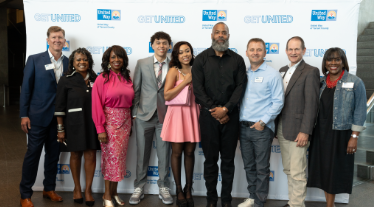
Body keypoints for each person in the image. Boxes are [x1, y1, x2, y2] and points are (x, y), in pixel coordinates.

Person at [192, 22, 247, 207]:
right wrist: (215, 110)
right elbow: (198, 90)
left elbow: (240, 87)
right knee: (210, 161)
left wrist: (227, 109)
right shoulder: (200, 60)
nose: (221, 35)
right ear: (212, 35)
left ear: (228, 35)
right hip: (208, 118)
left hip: (230, 118)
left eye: (224, 32)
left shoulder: (238, 60)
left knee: (228, 161)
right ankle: (211, 200)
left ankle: (226, 201)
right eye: (217, 32)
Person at [307, 47, 367, 207]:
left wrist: (354, 137)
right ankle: (330, 204)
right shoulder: (320, 82)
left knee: (334, 170)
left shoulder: (355, 82)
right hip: (320, 133)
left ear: (343, 62)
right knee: (324, 169)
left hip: (341, 134)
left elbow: (360, 111)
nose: (333, 63)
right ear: (325, 62)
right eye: (329, 59)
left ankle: (329, 205)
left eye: (337, 59)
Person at [19, 26, 68, 207]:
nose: (57, 40)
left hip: (59, 120)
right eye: (54, 37)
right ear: (48, 40)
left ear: (64, 41)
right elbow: (26, 89)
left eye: (60, 37)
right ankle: (25, 194)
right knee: (32, 155)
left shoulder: (69, 62)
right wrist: (24, 114)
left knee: (53, 156)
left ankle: (49, 189)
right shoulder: (34, 60)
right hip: (37, 118)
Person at [238, 38, 284, 207]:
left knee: (262, 168)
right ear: (247, 52)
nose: (255, 53)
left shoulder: (272, 74)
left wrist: (262, 122)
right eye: (252, 49)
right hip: (243, 127)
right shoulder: (243, 73)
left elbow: (278, 102)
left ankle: (259, 201)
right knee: (249, 165)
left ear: (265, 52)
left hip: (261, 128)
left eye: (259, 50)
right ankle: (252, 196)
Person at [275, 36, 320, 207]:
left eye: (297, 49)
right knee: (289, 169)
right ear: (286, 51)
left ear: (304, 51)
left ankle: (297, 205)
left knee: (297, 171)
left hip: (299, 130)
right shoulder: (282, 70)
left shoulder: (310, 71)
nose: (293, 52)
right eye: (290, 49)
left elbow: (312, 104)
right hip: (282, 127)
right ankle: (292, 202)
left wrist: (305, 131)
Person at [130, 31, 173, 205]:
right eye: (158, 43)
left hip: (166, 116)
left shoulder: (174, 65)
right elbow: (136, 89)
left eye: (165, 43)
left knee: (164, 154)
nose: (161, 46)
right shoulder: (142, 63)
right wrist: (134, 113)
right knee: (142, 154)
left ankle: (163, 186)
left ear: (169, 46)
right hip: (144, 115)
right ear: (152, 45)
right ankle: (139, 187)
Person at [54, 48, 100, 206]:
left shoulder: (96, 78)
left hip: (93, 123)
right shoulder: (66, 79)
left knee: (91, 155)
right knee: (75, 155)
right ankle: (77, 188)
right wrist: (60, 129)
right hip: (74, 124)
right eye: (78, 60)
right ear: (72, 63)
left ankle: (88, 190)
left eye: (85, 59)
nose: (82, 62)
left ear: (89, 61)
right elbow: (59, 106)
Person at [92, 45, 134, 207]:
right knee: (111, 160)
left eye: (120, 57)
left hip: (125, 122)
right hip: (109, 123)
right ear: (108, 60)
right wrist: (100, 128)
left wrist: (129, 125)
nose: (117, 60)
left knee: (119, 160)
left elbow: (129, 103)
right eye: (113, 57)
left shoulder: (127, 78)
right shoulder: (102, 78)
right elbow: (96, 105)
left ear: (124, 60)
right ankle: (106, 195)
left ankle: (114, 192)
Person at [161, 41, 200, 207]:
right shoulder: (173, 71)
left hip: (193, 113)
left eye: (188, 51)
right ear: (176, 55)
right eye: (182, 52)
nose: (185, 54)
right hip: (177, 115)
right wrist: (185, 81)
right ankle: (178, 190)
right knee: (176, 152)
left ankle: (189, 188)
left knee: (190, 152)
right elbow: (167, 96)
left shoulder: (198, 69)